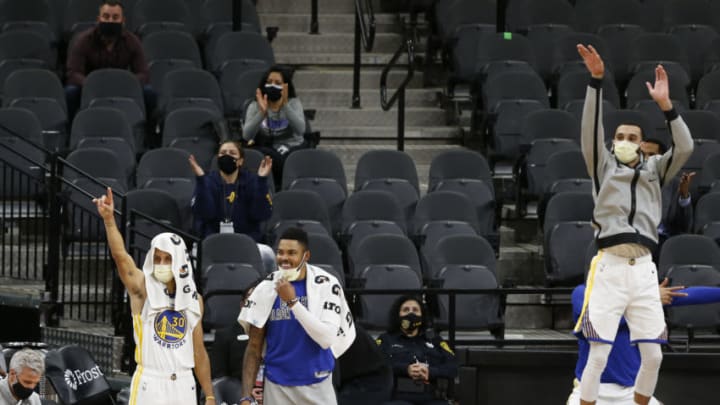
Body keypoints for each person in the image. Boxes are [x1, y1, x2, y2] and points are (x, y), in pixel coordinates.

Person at [574, 44, 694, 405]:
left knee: (654, 356)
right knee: (598, 353)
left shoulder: (656, 171)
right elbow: (588, 131)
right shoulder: (603, 167)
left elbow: (685, 147)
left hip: (644, 267)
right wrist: (595, 82)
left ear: (644, 146)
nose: (625, 141)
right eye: (620, 137)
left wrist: (666, 106)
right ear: (613, 143)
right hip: (610, 263)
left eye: (633, 138)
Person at [93, 188, 215, 405]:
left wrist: (210, 394)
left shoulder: (194, 298)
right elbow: (120, 257)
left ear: (180, 262)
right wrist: (110, 221)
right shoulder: (142, 287)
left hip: (185, 383)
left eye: (167, 259)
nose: (160, 264)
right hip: (152, 381)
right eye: (157, 258)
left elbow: (199, 351)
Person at [238, 227, 356, 405]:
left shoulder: (326, 284)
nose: (284, 258)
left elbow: (326, 338)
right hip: (277, 386)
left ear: (306, 256)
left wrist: (292, 302)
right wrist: (246, 396)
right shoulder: (266, 288)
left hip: (317, 383)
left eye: (292, 253)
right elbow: (254, 347)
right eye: (280, 252)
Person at [567, 280, 720, 405]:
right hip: (591, 392)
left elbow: (686, 294)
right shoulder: (582, 291)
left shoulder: (640, 297)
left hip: (632, 393)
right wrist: (649, 300)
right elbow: (599, 321)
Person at [189, 140, 275, 273]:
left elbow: (260, 214)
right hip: (213, 243)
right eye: (223, 153)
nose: (227, 156)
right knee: (193, 257)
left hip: (247, 243)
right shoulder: (207, 181)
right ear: (218, 159)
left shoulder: (252, 181)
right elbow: (205, 213)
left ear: (240, 161)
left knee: (268, 254)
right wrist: (201, 180)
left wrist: (262, 180)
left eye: (232, 153)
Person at [65, 0, 153, 119]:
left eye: (115, 17)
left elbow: (143, 73)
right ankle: (72, 131)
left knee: (149, 93)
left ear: (123, 21)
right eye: (106, 16)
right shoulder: (83, 41)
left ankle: (148, 134)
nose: (110, 20)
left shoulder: (132, 41)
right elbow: (73, 73)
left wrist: (125, 83)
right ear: (98, 19)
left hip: (122, 87)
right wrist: (92, 84)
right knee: (70, 92)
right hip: (90, 87)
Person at [376, 296, 458, 405]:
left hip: (432, 397)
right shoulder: (386, 339)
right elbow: (377, 365)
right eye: (406, 310)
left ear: (422, 315)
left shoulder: (434, 339)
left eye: (415, 310)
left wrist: (430, 371)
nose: (411, 314)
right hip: (398, 398)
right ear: (398, 315)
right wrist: (406, 369)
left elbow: (453, 366)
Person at [242, 66, 307, 187]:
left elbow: (301, 130)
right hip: (267, 149)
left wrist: (286, 105)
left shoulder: (294, 103)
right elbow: (246, 135)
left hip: (291, 148)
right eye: (269, 82)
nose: (273, 86)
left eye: (278, 83)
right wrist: (262, 113)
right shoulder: (255, 106)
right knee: (262, 154)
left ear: (285, 87)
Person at [640, 139, 695, 252]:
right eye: (641, 154)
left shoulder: (675, 184)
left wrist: (683, 196)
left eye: (651, 155)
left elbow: (684, 226)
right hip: (634, 240)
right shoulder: (626, 181)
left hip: (663, 242)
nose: (645, 159)